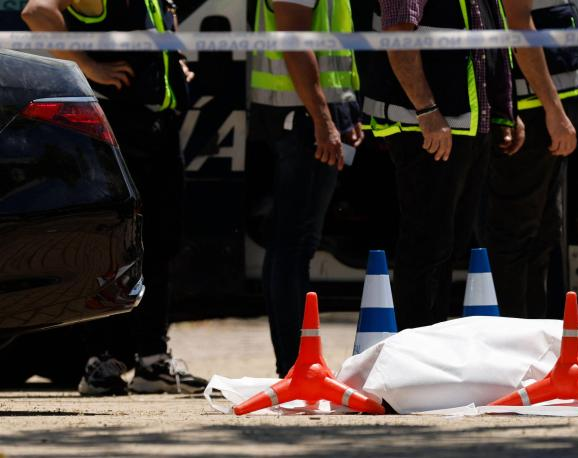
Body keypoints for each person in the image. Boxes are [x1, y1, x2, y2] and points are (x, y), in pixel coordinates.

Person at [21, 0, 207, 395]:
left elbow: (155, 35)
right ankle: (102, 362)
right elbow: (35, 11)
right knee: (114, 246)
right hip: (120, 127)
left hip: (160, 128)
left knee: (160, 245)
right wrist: (87, 65)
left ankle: (152, 362)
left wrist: (174, 66)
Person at [357, 0, 523, 330]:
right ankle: (415, 342)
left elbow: (489, 42)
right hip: (427, 127)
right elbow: (398, 34)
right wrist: (427, 110)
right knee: (427, 244)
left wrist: (505, 112)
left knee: (447, 243)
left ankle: (431, 337)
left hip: (464, 127)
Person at [249, 0, 363, 377]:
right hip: (300, 116)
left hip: (304, 111)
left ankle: (294, 363)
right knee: (293, 244)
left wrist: (344, 110)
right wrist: (324, 119)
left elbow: (330, 52)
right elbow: (295, 41)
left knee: (291, 243)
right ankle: (296, 365)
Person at [489, 0, 578, 319]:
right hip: (535, 111)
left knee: (544, 230)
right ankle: (515, 331)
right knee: (515, 233)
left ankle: (536, 328)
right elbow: (519, 27)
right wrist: (554, 110)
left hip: (548, 106)